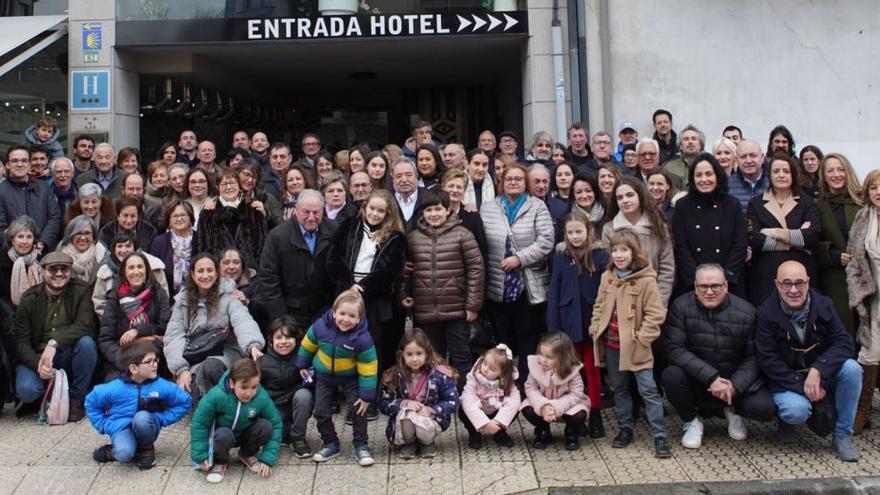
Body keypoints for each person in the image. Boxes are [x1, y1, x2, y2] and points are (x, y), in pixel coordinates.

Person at [755, 261, 861, 462]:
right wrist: (802, 385)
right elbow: (767, 360)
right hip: (786, 379)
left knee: (852, 369)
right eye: (787, 284)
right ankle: (786, 420)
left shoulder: (824, 304)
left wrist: (818, 370)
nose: (794, 290)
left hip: (818, 372)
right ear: (777, 285)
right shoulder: (765, 312)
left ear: (808, 282)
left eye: (799, 283)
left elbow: (844, 342)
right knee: (796, 411)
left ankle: (842, 435)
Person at [662, 264, 777, 449]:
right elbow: (675, 349)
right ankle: (692, 421)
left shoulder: (746, 312)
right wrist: (712, 377)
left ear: (725, 286)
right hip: (698, 380)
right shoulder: (681, 306)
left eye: (715, 286)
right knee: (671, 376)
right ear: (695, 286)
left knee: (764, 407)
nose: (709, 292)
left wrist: (735, 386)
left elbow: (753, 357)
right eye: (703, 287)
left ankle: (732, 410)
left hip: (732, 382)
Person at [590, 230, 670, 457]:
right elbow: (599, 305)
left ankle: (659, 434)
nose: (618, 255)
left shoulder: (645, 280)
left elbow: (656, 314)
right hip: (612, 344)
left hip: (636, 346)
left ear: (634, 252)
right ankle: (626, 427)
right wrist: (595, 327)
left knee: (648, 389)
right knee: (618, 387)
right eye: (614, 250)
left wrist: (643, 338)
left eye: (623, 250)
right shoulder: (608, 277)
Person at [480, 164, 554, 381]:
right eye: (509, 179)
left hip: (526, 283)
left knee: (527, 335)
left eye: (519, 179)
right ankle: (503, 380)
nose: (513, 182)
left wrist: (519, 258)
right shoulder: (488, 208)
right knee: (502, 336)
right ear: (501, 183)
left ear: (526, 183)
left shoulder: (537, 206)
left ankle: (526, 382)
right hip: (497, 282)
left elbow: (546, 240)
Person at [401, 190, 484, 381]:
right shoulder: (413, 238)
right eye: (429, 210)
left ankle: (463, 401)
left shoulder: (463, 235)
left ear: (448, 210)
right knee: (431, 359)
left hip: (457, 311)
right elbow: (406, 273)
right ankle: (437, 402)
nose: (434, 214)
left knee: (461, 357)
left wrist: (473, 305)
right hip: (425, 311)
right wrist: (403, 295)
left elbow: (476, 270)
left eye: (438, 209)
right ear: (422, 212)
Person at [326, 189, 406, 379]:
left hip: (374, 298)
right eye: (371, 208)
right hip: (346, 293)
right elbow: (333, 258)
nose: (374, 214)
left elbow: (390, 272)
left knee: (371, 345)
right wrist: (349, 284)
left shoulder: (395, 237)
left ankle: (370, 390)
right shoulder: (349, 226)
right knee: (343, 342)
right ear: (365, 207)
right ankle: (345, 385)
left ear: (387, 213)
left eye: (380, 211)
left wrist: (364, 288)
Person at [295, 289, 379, 466]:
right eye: (342, 313)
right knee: (321, 411)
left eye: (352, 315)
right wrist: (302, 364)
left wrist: (366, 396)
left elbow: (369, 367)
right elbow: (308, 344)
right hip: (324, 376)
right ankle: (330, 443)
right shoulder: (320, 326)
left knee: (358, 409)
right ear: (334, 312)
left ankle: (361, 445)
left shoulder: (362, 338)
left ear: (359, 318)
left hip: (350, 377)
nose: (345, 319)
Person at [164, 254, 265, 398]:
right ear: (192, 274)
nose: (205, 275)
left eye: (210, 270)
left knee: (210, 368)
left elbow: (242, 320)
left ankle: (221, 411)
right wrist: (181, 369)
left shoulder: (230, 295)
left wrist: (253, 345)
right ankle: (209, 416)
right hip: (196, 353)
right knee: (190, 384)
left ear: (217, 272)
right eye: (200, 271)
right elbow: (174, 336)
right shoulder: (183, 301)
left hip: (226, 351)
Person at [12, 251, 96, 421]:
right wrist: (39, 364)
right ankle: (45, 397)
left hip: (67, 353)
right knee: (27, 390)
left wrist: (54, 343)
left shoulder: (82, 290)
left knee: (87, 344)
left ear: (70, 271)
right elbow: (21, 342)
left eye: (64, 269)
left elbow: (85, 325)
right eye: (53, 269)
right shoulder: (29, 298)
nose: (59, 274)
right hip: (37, 356)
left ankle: (75, 399)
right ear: (43, 272)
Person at [547, 211, 608, 438]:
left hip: (592, 321)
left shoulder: (600, 255)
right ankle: (576, 415)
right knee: (573, 372)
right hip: (568, 321)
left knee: (592, 370)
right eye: (570, 232)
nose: (575, 236)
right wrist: (553, 327)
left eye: (579, 231)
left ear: (589, 230)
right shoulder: (561, 256)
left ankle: (595, 413)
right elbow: (554, 291)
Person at [86, 341, 192, 469]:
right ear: (133, 368)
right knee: (123, 454)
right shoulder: (114, 387)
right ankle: (115, 452)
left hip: (146, 426)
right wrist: (103, 425)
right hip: (121, 428)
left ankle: (146, 449)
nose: (155, 365)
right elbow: (91, 402)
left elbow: (185, 401)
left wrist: (162, 418)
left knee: (141, 417)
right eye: (149, 362)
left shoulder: (161, 385)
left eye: (156, 360)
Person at [191, 358, 283, 483]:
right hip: (222, 436)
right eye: (244, 388)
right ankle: (220, 461)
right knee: (223, 434)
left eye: (254, 387)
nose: (249, 393)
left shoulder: (261, 396)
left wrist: (267, 458)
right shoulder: (216, 395)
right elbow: (199, 424)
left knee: (266, 426)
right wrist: (200, 457)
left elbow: (276, 423)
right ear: (232, 383)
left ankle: (246, 453)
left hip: (245, 433)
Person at [746, 153, 820, 305]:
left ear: (793, 174)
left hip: (801, 270)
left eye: (786, 171)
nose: (781, 175)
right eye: (776, 171)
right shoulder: (756, 203)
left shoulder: (807, 203)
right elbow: (755, 240)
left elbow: (812, 236)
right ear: (769, 175)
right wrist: (796, 240)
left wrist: (774, 233)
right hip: (766, 273)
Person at [257, 189, 338, 328]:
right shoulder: (277, 236)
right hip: (291, 313)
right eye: (306, 212)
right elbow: (268, 279)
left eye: (316, 212)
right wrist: (281, 319)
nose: (311, 217)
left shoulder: (334, 230)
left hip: (326, 311)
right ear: (296, 210)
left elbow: (341, 272)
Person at [672, 153, 748, 296]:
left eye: (709, 174)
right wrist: (698, 281)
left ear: (717, 176)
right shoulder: (682, 206)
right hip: (693, 285)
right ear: (692, 179)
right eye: (698, 175)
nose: (704, 179)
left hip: (728, 284)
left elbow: (740, 245)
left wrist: (724, 280)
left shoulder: (732, 205)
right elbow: (681, 247)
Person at [378, 328, 460, 459]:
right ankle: (408, 443)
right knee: (406, 415)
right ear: (401, 355)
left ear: (426, 354)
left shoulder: (440, 374)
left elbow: (453, 401)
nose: (414, 359)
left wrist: (431, 410)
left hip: (430, 417)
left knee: (423, 421)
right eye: (409, 354)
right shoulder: (394, 375)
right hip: (405, 419)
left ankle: (427, 443)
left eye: (419, 353)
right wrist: (403, 404)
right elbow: (383, 403)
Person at [97, 251, 171, 381]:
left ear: (147, 270)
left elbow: (165, 327)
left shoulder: (159, 293)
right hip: (122, 358)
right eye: (131, 268)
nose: (136, 271)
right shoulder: (114, 297)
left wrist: (138, 330)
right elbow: (105, 340)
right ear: (124, 273)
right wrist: (125, 361)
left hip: (152, 356)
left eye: (140, 267)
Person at [602, 176, 675, 304]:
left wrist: (659, 303)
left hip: (653, 298)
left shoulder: (658, 226)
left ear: (640, 196)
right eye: (620, 197)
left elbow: (667, 269)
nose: (625, 200)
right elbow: (608, 269)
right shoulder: (609, 229)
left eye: (630, 195)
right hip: (621, 300)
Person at [846, 169, 880, 434]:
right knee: (870, 353)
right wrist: (858, 294)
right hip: (874, 298)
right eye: (873, 188)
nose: (878, 192)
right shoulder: (862, 219)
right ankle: (863, 410)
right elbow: (854, 262)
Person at [816, 153, 862, 338]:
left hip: (866, 278)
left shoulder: (862, 201)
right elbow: (811, 243)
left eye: (841, 169)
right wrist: (831, 254)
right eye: (830, 170)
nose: (836, 174)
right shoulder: (817, 206)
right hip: (836, 281)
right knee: (844, 333)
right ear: (824, 176)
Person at [256, 316, 314, 458]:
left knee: (304, 395)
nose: (283, 342)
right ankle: (280, 433)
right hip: (273, 407)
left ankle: (298, 438)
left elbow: (313, 384)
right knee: (276, 436)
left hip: (295, 405)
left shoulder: (304, 359)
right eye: (278, 338)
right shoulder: (261, 362)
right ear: (271, 341)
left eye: (288, 337)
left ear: (296, 340)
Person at [520, 332, 590, 451]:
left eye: (549, 357)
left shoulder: (572, 370)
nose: (543, 360)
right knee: (527, 409)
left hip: (566, 404)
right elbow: (530, 388)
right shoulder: (536, 366)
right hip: (542, 403)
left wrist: (556, 407)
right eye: (541, 354)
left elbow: (576, 393)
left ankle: (571, 431)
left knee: (580, 414)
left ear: (563, 357)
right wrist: (544, 406)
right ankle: (543, 430)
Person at [196, 168, 267, 270]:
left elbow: (262, 244)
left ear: (239, 186)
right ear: (217, 187)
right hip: (219, 272)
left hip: (250, 271)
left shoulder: (253, 209)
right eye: (224, 184)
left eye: (232, 183)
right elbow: (203, 247)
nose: (229, 187)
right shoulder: (208, 213)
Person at [459, 344, 521, 449]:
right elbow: (468, 400)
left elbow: (514, 401)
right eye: (485, 363)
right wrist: (484, 423)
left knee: (516, 406)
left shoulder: (507, 381)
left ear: (502, 373)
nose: (485, 369)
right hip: (479, 410)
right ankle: (474, 433)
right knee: (463, 407)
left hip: (496, 410)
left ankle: (499, 432)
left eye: (492, 368)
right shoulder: (473, 377)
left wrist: (498, 421)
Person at [93, 231, 168, 318]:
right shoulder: (105, 272)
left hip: (149, 324)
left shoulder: (154, 268)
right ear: (114, 249)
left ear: (135, 248)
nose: (124, 250)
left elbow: (163, 300)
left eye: (128, 246)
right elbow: (99, 302)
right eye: (119, 246)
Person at [0, 145, 61, 249]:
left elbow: (54, 217)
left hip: (43, 253)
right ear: (7, 165)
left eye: (24, 161)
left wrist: (42, 242)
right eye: (15, 161)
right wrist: (18, 244)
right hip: (11, 255)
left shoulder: (43, 188)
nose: (20, 164)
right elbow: (1, 225)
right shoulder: (1, 191)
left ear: (29, 165)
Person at [148, 200, 197, 297]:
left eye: (183, 215)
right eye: (175, 216)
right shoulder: (159, 242)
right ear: (169, 221)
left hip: (199, 299)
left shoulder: (201, 239)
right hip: (168, 301)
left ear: (190, 217)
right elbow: (153, 277)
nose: (179, 219)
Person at [442, 169, 488, 257]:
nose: (455, 190)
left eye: (459, 187)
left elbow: (482, 250)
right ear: (443, 188)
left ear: (464, 191)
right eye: (451, 186)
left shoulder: (473, 216)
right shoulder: (434, 215)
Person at [0, 216, 42, 307]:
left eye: (29, 237)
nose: (25, 241)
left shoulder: (39, 261)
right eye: (20, 236)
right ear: (12, 240)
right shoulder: (2, 261)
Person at [58, 214, 108, 284]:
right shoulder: (59, 257)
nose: (83, 238)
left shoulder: (103, 257)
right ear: (70, 236)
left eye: (87, 233)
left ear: (93, 235)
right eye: (78, 233)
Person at [237, 157, 283, 229]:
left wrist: (266, 215)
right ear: (238, 173)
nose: (250, 180)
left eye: (254, 177)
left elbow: (281, 227)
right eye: (247, 175)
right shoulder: (230, 196)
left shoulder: (268, 198)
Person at [728, 139, 769, 212]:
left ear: (762, 158)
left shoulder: (773, 183)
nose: (748, 161)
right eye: (743, 157)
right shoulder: (727, 186)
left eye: (753, 156)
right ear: (736, 160)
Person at [661, 124, 702, 189]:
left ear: (700, 145)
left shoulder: (710, 165)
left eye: (694, 139)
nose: (690, 142)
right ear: (680, 146)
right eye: (686, 139)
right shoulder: (669, 168)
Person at [391, 158, 425, 232]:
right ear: (393, 179)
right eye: (398, 176)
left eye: (408, 175)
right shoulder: (387, 200)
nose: (404, 180)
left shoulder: (428, 196)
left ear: (416, 176)